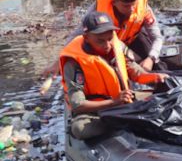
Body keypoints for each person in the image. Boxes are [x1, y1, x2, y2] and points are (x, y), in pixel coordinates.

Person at [60, 11, 168, 140]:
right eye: (100, 41)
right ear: (86, 37)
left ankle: (125, 119)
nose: (107, 45)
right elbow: (78, 105)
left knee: (165, 97)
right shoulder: (74, 63)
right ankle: (125, 121)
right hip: (96, 111)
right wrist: (113, 102)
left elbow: (136, 72)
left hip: (123, 101)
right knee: (80, 129)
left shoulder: (116, 46)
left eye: (110, 39)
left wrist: (157, 77)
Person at [43, 0, 165, 76]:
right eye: (126, 6)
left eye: (133, 5)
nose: (131, 9)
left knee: (156, 65)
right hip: (108, 45)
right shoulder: (98, 6)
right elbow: (78, 34)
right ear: (114, 2)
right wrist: (59, 61)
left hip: (132, 39)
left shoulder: (142, 6)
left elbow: (157, 37)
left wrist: (151, 58)